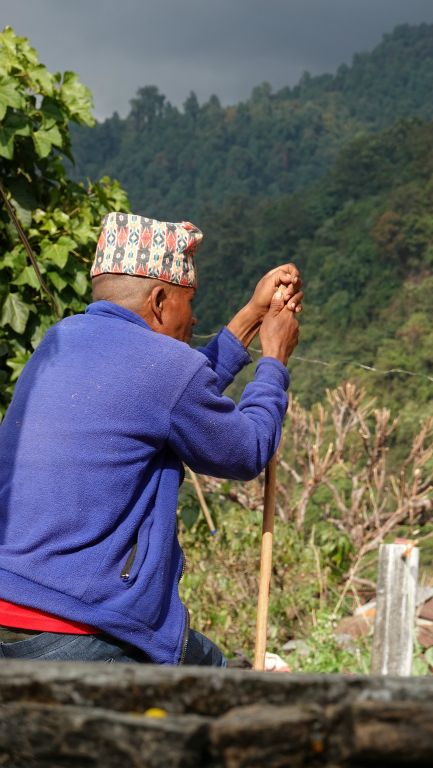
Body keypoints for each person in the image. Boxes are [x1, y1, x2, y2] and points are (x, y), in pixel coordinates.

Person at [0, 211, 302, 665]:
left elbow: (167, 399)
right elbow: (247, 451)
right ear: (160, 300)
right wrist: (274, 360)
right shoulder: (161, 367)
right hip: (83, 622)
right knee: (214, 685)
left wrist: (249, 320)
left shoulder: (59, 340)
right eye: (189, 300)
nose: (194, 315)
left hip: (10, 604)